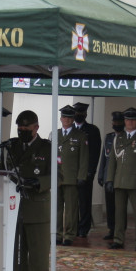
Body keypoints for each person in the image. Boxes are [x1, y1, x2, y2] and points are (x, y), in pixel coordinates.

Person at [0, 110, 51, 271]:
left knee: (38, 259)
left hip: (37, 208)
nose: (22, 132)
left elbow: (58, 175)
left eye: (26, 128)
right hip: (14, 210)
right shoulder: (12, 146)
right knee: (17, 258)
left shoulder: (46, 148)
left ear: (36, 127)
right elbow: (1, 168)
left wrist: (39, 182)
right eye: (19, 128)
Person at [105, 107, 136, 251]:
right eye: (127, 120)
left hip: (135, 182)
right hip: (119, 181)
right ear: (124, 121)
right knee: (119, 213)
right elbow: (112, 161)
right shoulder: (118, 138)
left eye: (132, 120)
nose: (130, 123)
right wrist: (109, 180)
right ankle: (118, 239)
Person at [55, 105, 88, 246]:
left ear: (73, 119)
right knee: (56, 208)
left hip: (71, 177)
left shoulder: (80, 136)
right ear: (61, 118)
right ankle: (56, 234)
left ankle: (69, 235)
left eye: (69, 117)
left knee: (71, 209)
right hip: (56, 177)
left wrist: (81, 176)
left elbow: (84, 158)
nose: (66, 119)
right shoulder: (54, 134)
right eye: (64, 117)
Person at [72, 102, 102, 238]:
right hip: (71, 172)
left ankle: (84, 227)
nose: (79, 115)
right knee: (72, 201)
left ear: (85, 114)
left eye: (81, 113)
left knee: (84, 201)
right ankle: (72, 226)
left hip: (85, 173)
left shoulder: (92, 130)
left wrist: (91, 171)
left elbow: (95, 153)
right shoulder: (69, 129)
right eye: (77, 112)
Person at [96, 111, 125, 240]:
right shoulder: (109, 137)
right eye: (115, 122)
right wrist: (101, 174)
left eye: (119, 122)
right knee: (110, 205)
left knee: (120, 206)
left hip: (121, 177)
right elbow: (104, 157)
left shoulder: (126, 137)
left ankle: (120, 230)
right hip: (109, 176)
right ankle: (111, 229)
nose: (116, 124)